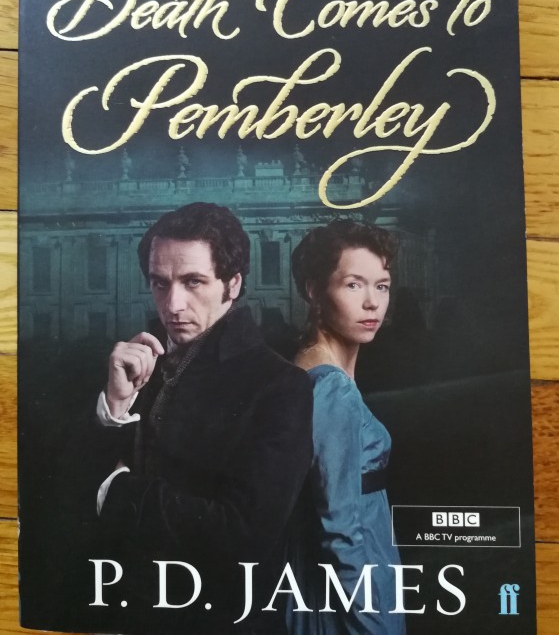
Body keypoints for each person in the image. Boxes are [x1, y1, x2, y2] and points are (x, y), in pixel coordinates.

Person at [72, 202, 313, 635]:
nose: (173, 304)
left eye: (193, 282)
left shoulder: (281, 385)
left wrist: (117, 492)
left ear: (233, 283)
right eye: (159, 283)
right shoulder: (129, 364)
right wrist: (114, 407)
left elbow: (244, 535)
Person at [287, 220, 405, 635]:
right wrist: (371, 623)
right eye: (354, 285)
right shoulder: (330, 388)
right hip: (350, 591)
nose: (372, 303)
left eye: (382, 286)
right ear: (313, 290)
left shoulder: (313, 369)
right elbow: (340, 530)